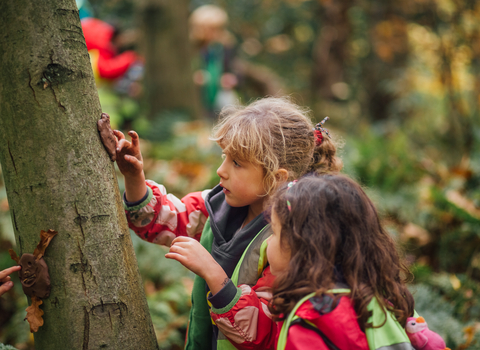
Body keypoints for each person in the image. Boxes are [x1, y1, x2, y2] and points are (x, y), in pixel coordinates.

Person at [114, 96, 342, 350]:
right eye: (224, 157)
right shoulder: (219, 204)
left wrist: (212, 273)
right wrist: (135, 177)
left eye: (236, 163)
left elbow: (261, 332)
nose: (221, 170)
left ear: (276, 178)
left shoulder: (289, 239)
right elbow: (163, 220)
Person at [266, 175, 445, 350]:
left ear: (304, 245)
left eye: (274, 231)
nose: (267, 242)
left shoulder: (311, 321)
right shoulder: (386, 302)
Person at [189, 5, 239, 119]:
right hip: (199, 97)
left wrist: (232, 78)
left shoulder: (225, 47)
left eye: (216, 28)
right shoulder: (193, 49)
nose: (211, 32)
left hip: (220, 92)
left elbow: (236, 68)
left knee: (228, 105)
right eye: (207, 28)